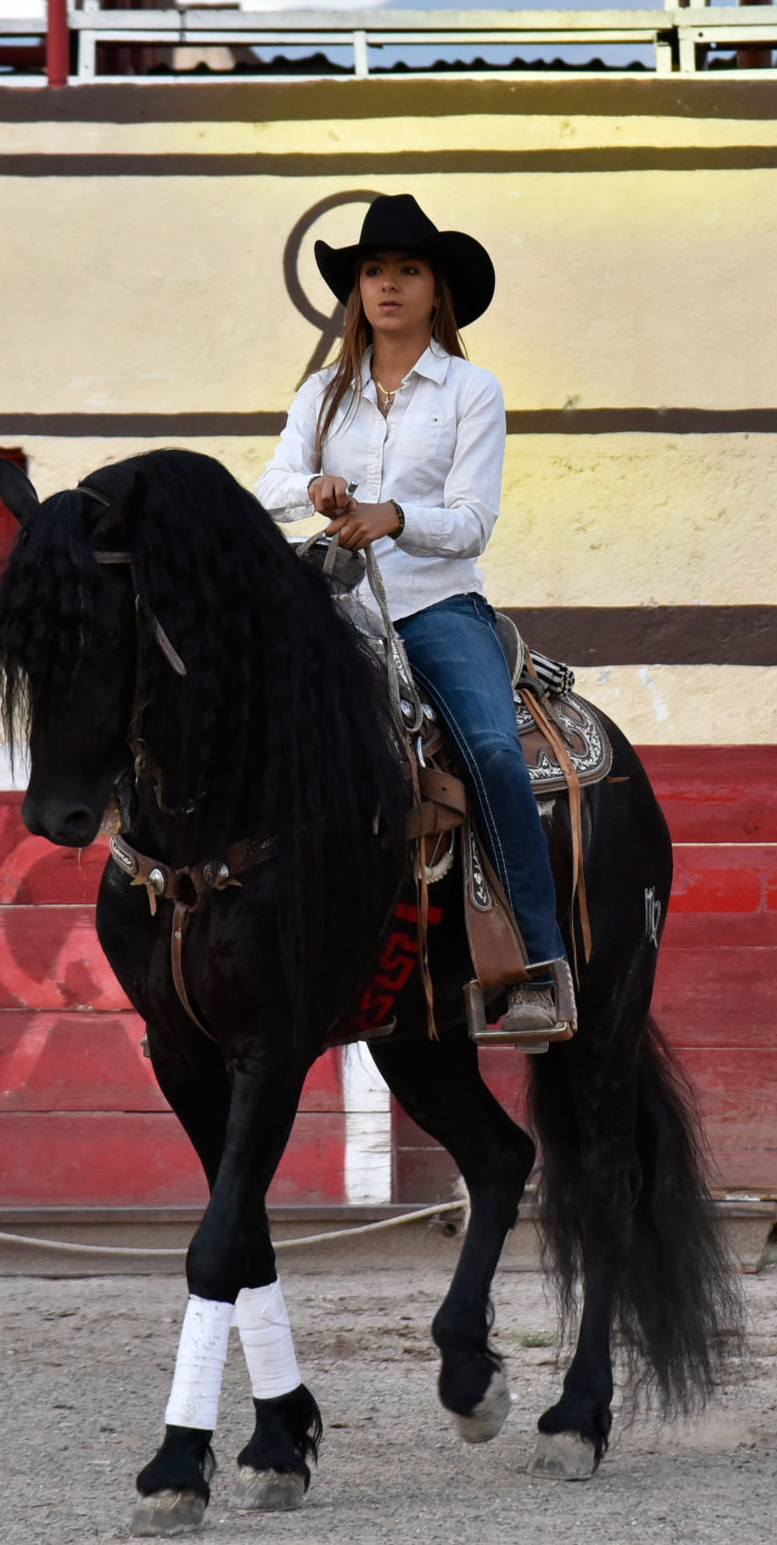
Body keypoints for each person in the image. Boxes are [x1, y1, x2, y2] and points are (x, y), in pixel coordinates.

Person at [255, 194, 569, 1036]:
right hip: (335, 609)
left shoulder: (472, 390)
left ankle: (537, 965)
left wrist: (394, 515)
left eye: (407, 269)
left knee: (497, 754)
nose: (387, 285)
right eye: (372, 271)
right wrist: (313, 489)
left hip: (436, 607)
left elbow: (472, 521)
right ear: (356, 291)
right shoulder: (323, 393)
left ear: (438, 290)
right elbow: (270, 485)